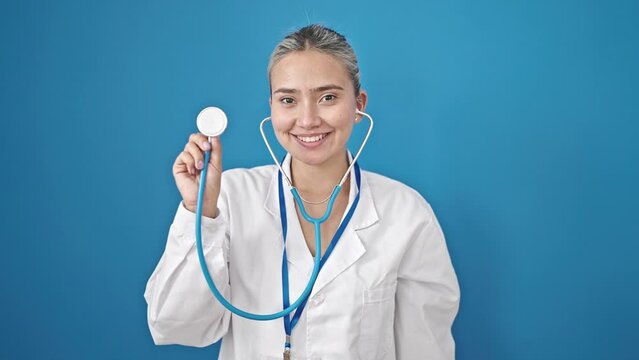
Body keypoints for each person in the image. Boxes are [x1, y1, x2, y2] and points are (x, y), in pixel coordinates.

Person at [144, 24, 460, 360]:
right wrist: (200, 212)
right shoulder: (229, 197)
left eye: (328, 97)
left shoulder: (406, 214)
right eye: (288, 100)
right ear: (272, 107)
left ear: (358, 105)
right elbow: (177, 327)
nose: (307, 120)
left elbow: (426, 351)